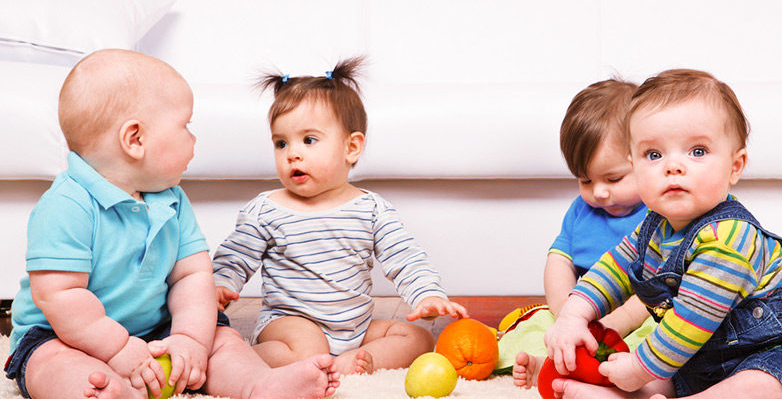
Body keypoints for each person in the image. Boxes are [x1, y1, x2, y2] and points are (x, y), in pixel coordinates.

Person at [3, 49, 339, 399]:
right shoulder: (66, 205)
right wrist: (116, 350)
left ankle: (259, 385)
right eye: (185, 126)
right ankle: (110, 392)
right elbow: (60, 295)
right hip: (65, 334)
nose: (192, 139)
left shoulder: (171, 199)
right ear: (135, 140)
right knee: (52, 365)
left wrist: (189, 339)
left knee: (221, 341)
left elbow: (191, 275)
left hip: (158, 328)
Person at [544, 69, 782, 399]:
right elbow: (613, 268)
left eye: (697, 151)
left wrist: (639, 368)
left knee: (761, 382)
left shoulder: (729, 238)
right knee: (661, 374)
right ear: (634, 164)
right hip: (705, 361)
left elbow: (691, 317)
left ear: (735, 166)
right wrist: (574, 314)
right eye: (654, 155)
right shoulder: (653, 228)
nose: (673, 167)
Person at [212, 56, 469, 376]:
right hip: (290, 327)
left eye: (309, 140)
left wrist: (428, 295)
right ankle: (239, 357)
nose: (292, 152)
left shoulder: (372, 209)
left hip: (355, 328)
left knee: (416, 337)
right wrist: (220, 284)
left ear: (352, 147)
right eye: (281, 143)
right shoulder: (266, 210)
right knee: (307, 347)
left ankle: (362, 360)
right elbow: (234, 258)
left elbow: (406, 258)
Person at [509, 79, 653, 388]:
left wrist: (619, 321)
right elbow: (559, 260)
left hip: (638, 312)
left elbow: (659, 288)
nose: (599, 192)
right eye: (585, 181)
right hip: (581, 308)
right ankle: (546, 366)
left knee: (658, 342)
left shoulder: (660, 214)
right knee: (534, 328)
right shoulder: (580, 211)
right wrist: (565, 311)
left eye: (613, 179)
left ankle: (609, 378)